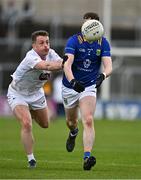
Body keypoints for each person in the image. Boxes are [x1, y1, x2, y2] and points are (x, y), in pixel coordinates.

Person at [62, 12, 112, 170]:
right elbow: (66, 65)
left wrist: (102, 76)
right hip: (70, 86)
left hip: (89, 86)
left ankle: (87, 157)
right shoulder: (74, 40)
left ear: (97, 26)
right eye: (85, 24)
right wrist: (72, 81)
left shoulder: (103, 42)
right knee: (71, 122)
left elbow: (109, 66)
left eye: (90, 24)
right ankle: (73, 133)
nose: (86, 27)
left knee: (88, 120)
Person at [7, 30, 63, 168]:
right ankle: (31, 159)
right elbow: (49, 66)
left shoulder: (51, 53)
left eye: (47, 42)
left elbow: (61, 62)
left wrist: (69, 61)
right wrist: (69, 62)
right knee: (26, 123)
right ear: (34, 46)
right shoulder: (30, 58)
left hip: (37, 94)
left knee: (45, 124)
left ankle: (29, 111)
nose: (46, 46)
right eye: (42, 43)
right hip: (18, 93)